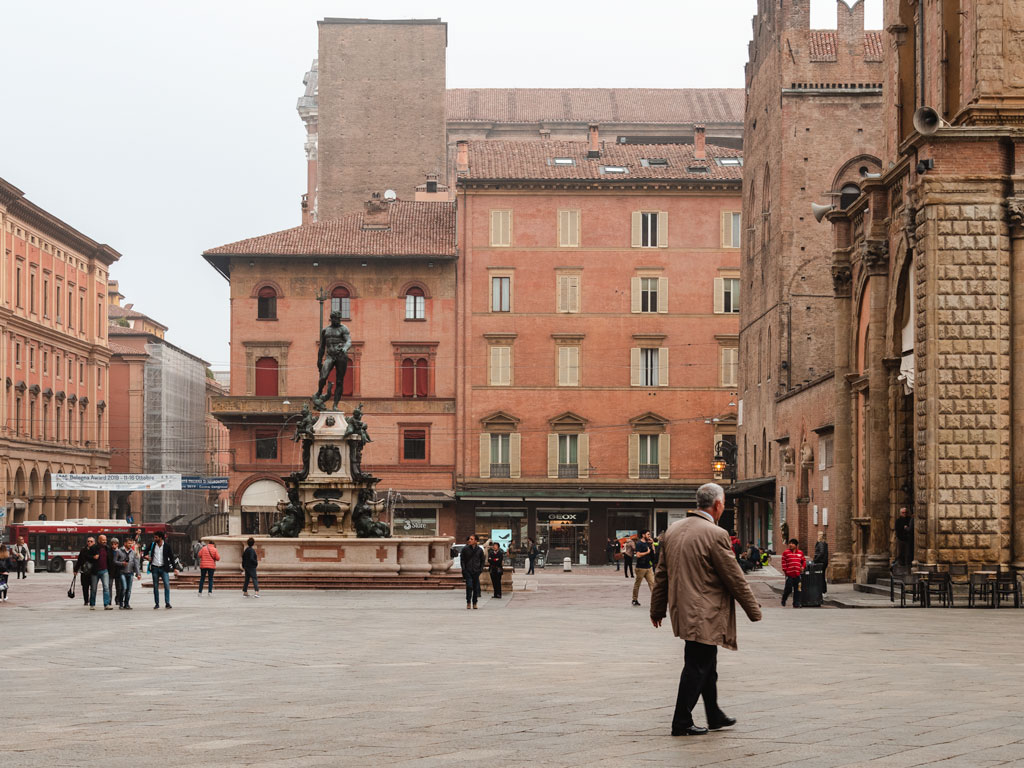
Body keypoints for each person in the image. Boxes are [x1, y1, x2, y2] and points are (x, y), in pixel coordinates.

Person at [651, 483, 762, 737]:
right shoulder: (715, 534)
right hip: (705, 611)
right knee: (698, 666)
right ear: (719, 504)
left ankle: (713, 714)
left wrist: (657, 609)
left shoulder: (673, 530)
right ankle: (681, 721)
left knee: (706, 665)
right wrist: (753, 610)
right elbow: (734, 577)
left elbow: (661, 575)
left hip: (683, 610)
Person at [147, 530, 179, 609]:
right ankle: (157, 603)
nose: (154, 539)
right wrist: (146, 557)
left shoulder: (167, 546)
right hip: (155, 568)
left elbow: (171, 557)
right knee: (155, 586)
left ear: (160, 538)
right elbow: (145, 552)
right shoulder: (152, 545)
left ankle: (167, 603)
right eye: (154, 537)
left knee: (167, 585)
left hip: (164, 568)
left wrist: (175, 568)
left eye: (156, 537)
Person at [460, 534, 485, 609]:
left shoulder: (480, 550)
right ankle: (468, 602)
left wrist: (480, 569)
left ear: (476, 541)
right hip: (468, 570)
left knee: (475, 587)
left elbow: (482, 560)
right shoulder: (465, 549)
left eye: (471, 539)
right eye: (469, 539)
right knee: (469, 586)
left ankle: (475, 602)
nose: (469, 540)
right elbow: (462, 560)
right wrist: (464, 569)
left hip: (476, 571)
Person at [89, 534, 114, 611]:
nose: (105, 541)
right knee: (93, 588)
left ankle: (106, 604)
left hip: (105, 570)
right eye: (103, 540)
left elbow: (111, 560)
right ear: (99, 540)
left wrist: (111, 571)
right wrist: (93, 557)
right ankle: (92, 604)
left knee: (106, 587)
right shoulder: (93, 548)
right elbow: (87, 557)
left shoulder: (107, 548)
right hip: (95, 571)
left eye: (105, 539)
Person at [631, 530, 656, 606]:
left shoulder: (648, 543)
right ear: (643, 535)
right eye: (648, 534)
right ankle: (634, 599)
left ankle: (655, 600)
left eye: (649, 534)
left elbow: (653, 552)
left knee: (652, 583)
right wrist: (646, 553)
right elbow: (638, 555)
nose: (649, 535)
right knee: (637, 584)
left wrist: (652, 544)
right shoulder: (639, 543)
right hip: (640, 568)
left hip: (648, 567)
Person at [780, 538, 807, 608]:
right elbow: (783, 562)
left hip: (797, 574)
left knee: (797, 589)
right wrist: (785, 570)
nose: (790, 545)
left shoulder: (800, 553)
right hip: (789, 575)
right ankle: (784, 599)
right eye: (790, 543)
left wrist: (803, 567)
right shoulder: (786, 553)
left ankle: (796, 603)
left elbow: (804, 561)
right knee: (788, 589)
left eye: (792, 543)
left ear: (796, 545)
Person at [74, 537, 96, 607]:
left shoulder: (96, 550)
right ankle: (86, 600)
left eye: (91, 541)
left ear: (94, 542)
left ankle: (92, 600)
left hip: (93, 572)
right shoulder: (83, 550)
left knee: (93, 587)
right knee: (85, 587)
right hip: (84, 571)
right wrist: (76, 570)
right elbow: (79, 560)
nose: (89, 543)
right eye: (88, 541)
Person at [121, 539, 142, 609]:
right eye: (129, 543)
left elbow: (136, 564)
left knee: (129, 590)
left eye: (131, 543)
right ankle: (121, 601)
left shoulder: (133, 552)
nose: (130, 545)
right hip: (122, 572)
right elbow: (115, 561)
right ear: (125, 543)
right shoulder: (120, 551)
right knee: (124, 588)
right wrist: (121, 563)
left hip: (130, 573)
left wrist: (138, 573)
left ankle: (126, 603)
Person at [110, 538, 126, 608]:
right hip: (110, 571)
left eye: (115, 544)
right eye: (112, 544)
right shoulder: (109, 551)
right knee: (109, 586)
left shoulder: (120, 551)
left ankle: (118, 599)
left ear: (118, 544)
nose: (114, 545)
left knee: (119, 587)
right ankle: (109, 601)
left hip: (118, 571)